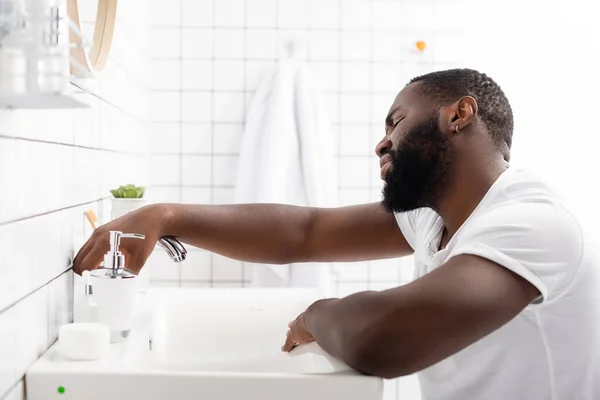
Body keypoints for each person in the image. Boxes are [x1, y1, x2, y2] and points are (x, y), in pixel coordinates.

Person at [73, 68, 600, 400]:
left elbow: (386, 340)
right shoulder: (438, 217)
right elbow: (306, 231)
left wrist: (317, 315)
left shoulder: (531, 224)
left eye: (395, 121)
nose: (382, 143)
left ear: (459, 113)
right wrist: (166, 215)